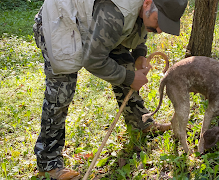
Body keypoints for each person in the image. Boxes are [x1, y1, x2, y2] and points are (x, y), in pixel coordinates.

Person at [32, 0, 188, 179]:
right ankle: (48, 163)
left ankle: (140, 122)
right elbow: (93, 61)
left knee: (125, 64)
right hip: (60, 21)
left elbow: (139, 29)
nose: (160, 30)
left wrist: (139, 55)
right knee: (61, 89)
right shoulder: (115, 11)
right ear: (147, 3)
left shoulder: (143, 11)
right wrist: (130, 78)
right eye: (159, 22)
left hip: (94, 22)